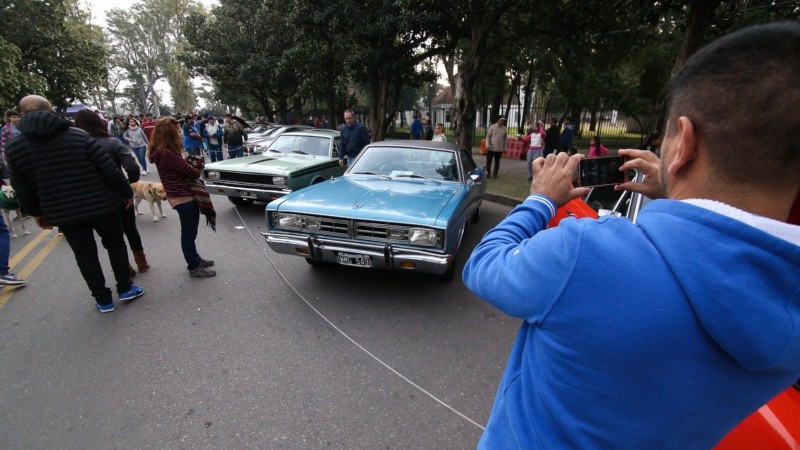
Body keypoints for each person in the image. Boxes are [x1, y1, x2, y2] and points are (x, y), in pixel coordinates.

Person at [462, 22, 800, 449]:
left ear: (684, 145)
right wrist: (678, 190)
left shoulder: (586, 252)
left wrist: (541, 200)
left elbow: (483, 266)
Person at [5, 95, 144, 313]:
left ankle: (103, 299)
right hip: (102, 204)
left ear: (22, 116)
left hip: (63, 212)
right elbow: (108, 169)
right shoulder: (78, 136)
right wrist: (126, 193)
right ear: (51, 111)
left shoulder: (14, 148)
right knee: (115, 244)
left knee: (85, 254)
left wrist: (37, 213)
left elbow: (22, 187)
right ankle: (125, 288)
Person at [73, 109, 151, 276]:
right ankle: (141, 261)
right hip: (119, 194)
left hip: (91, 198)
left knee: (112, 239)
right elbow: (131, 166)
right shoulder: (112, 142)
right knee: (130, 230)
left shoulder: (74, 145)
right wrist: (129, 185)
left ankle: (125, 268)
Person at [148, 118, 216, 278]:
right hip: (182, 196)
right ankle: (193, 266)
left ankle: (196, 259)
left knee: (189, 232)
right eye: (178, 131)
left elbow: (181, 167)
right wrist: (196, 165)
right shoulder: (167, 153)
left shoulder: (162, 150)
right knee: (188, 233)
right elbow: (191, 172)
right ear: (170, 133)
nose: (180, 134)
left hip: (178, 194)